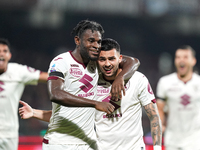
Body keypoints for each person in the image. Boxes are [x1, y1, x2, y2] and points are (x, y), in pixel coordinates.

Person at [19, 38, 162, 150]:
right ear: (96, 61)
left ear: (120, 58)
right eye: (102, 59)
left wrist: (156, 148)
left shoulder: (139, 79)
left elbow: (154, 116)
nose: (107, 64)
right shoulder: (90, 85)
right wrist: (34, 113)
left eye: (111, 58)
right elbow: (69, 116)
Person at [0, 38, 48, 150]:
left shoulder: (18, 71)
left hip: (9, 134)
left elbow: (47, 77)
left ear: (9, 55)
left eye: (4, 51)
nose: (1, 54)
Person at [156, 45, 200, 150]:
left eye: (185, 57)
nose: (181, 60)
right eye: (178, 57)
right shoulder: (165, 82)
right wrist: (159, 128)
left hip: (195, 141)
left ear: (193, 61)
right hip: (172, 140)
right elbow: (160, 109)